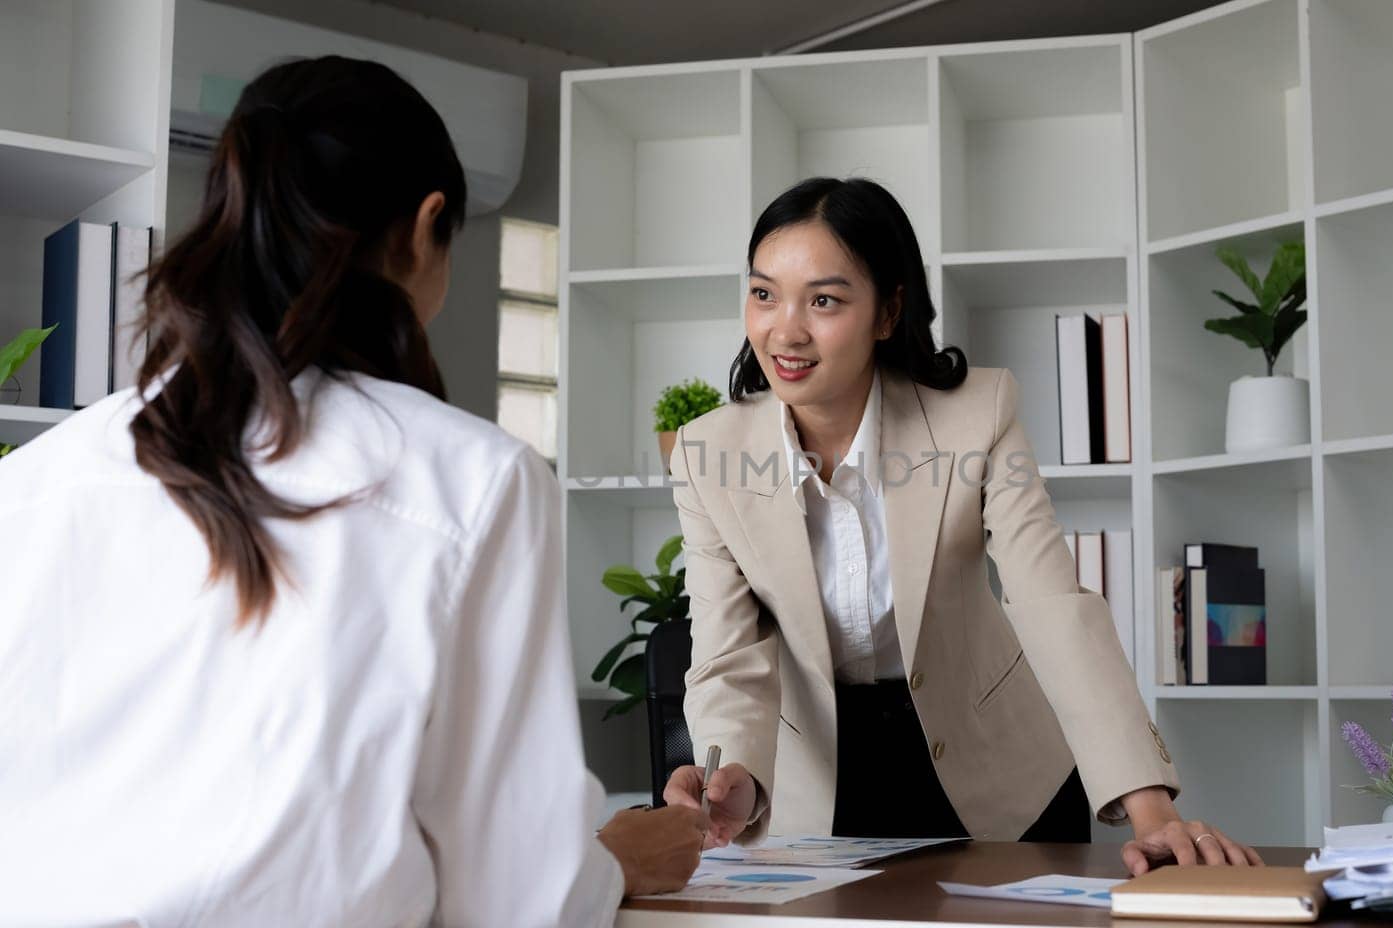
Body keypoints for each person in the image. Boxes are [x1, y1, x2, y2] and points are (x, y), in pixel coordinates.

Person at [0, 56, 703, 927]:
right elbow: (520, 900)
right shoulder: (472, 481)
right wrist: (611, 864)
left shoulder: (31, 481)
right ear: (425, 227)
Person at [661, 177, 1264, 874]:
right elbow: (728, 652)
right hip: (817, 788)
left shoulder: (977, 415)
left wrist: (1152, 808)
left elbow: (1050, 606)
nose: (784, 330)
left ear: (888, 311)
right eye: (764, 294)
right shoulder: (708, 455)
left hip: (998, 771)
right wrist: (733, 771)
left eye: (824, 300)